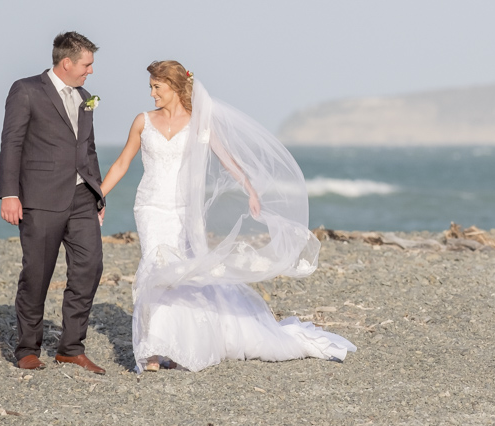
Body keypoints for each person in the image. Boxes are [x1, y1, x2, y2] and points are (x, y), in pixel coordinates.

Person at [100, 60, 355, 372]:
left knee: (179, 274)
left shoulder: (199, 124)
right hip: (150, 206)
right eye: (151, 87)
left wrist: (250, 188)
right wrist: (98, 195)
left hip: (183, 210)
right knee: (153, 267)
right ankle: (153, 350)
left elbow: (226, 157)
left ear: (176, 87)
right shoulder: (143, 121)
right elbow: (122, 163)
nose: (152, 93)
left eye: (157, 87)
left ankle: (173, 342)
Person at [0, 31, 108, 374]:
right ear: (67, 62)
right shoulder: (26, 90)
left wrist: (98, 193)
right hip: (40, 198)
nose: (90, 71)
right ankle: (28, 348)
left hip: (81, 198)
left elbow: (87, 149)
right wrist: (10, 193)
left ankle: (71, 348)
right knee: (37, 273)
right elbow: (11, 143)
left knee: (90, 267)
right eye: (87, 65)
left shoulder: (85, 97)